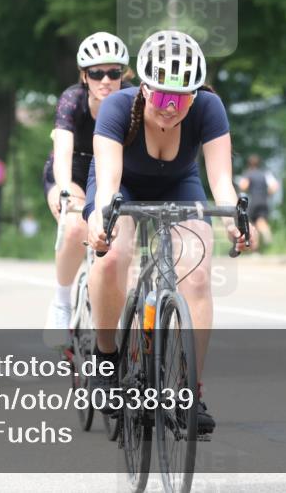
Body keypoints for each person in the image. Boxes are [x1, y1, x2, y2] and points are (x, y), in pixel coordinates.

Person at [85, 30, 249, 436]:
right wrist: (100, 220)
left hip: (180, 185)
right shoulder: (117, 107)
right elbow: (107, 183)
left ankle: (187, 390)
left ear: (196, 94)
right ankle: (106, 362)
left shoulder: (209, 108)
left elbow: (222, 182)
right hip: (122, 186)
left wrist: (232, 221)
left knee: (196, 272)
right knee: (114, 259)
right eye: (161, 96)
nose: (171, 108)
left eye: (182, 98)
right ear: (143, 87)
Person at [42, 31, 131, 346]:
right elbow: (62, 151)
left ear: (125, 74)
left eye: (113, 72)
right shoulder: (72, 99)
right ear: (84, 76)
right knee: (74, 228)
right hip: (76, 172)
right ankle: (62, 301)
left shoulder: (133, 98)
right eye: (96, 73)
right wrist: (65, 189)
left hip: (112, 172)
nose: (105, 80)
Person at [238, 154, 278, 249]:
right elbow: (275, 186)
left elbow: (243, 186)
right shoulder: (265, 174)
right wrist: (267, 193)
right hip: (264, 200)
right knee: (261, 221)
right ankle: (267, 237)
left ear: (249, 164)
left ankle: (255, 249)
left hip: (254, 201)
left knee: (252, 224)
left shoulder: (249, 173)